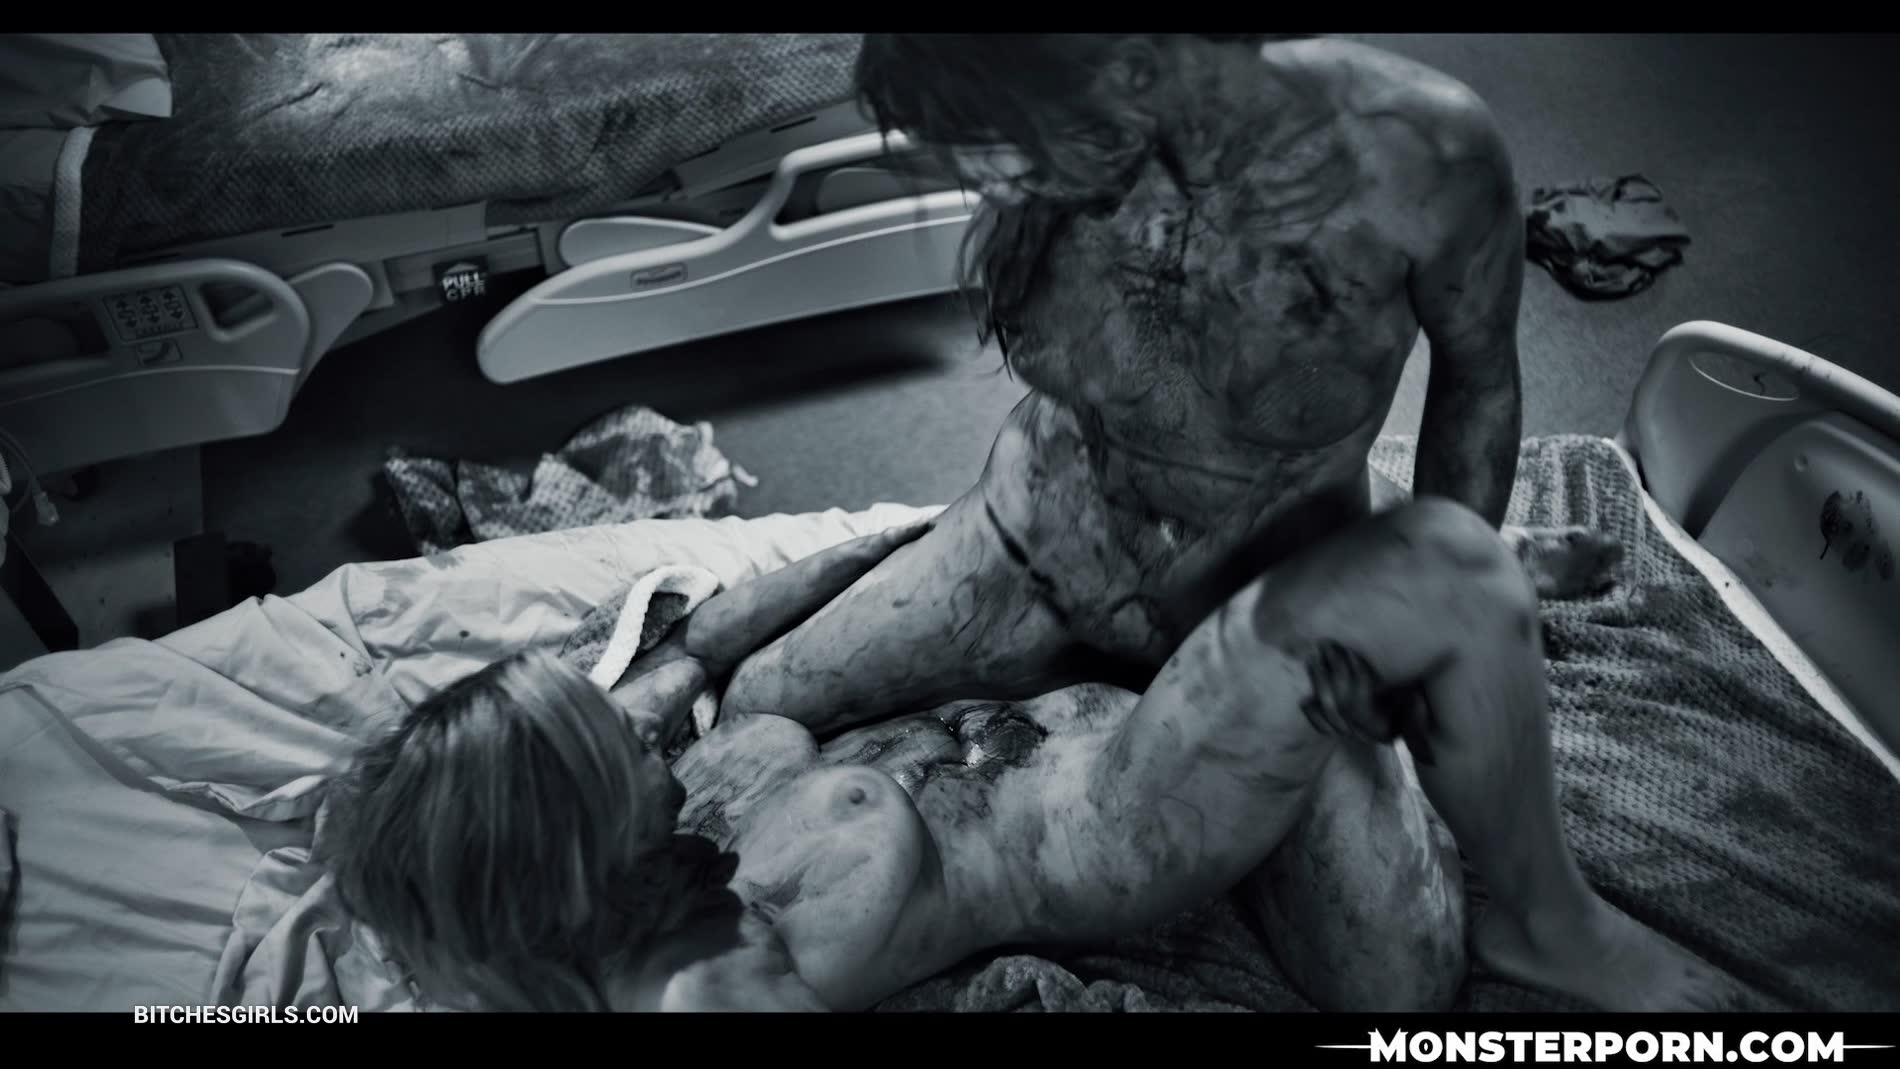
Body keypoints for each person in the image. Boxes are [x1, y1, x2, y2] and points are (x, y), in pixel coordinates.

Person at [319, 510, 1734, 1013]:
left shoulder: (672, 801)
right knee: (1371, 581)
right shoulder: (706, 990)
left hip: (1067, 706)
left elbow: (701, 657)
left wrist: (908, 556)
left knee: (1169, 489)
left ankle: (1394, 637)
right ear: (572, 856)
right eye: (610, 749)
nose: (636, 729)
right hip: (1115, 820)